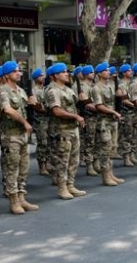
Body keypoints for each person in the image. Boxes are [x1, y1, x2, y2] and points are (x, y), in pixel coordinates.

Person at [0, 61, 40, 214]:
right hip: (10, 135)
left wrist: (33, 104)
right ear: (7, 75)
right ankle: (13, 201)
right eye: (15, 71)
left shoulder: (20, 90)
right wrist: (25, 123)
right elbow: (8, 110)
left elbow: (26, 108)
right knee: (12, 169)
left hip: (22, 135)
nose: (19, 73)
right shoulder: (2, 91)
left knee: (23, 168)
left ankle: (21, 198)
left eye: (19, 70)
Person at [43, 63, 87, 199]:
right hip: (61, 130)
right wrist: (76, 116)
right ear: (55, 75)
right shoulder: (52, 90)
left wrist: (83, 101)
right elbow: (56, 111)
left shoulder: (68, 90)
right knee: (62, 161)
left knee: (74, 159)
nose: (66, 74)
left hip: (72, 128)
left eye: (66, 72)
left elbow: (74, 106)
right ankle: (62, 188)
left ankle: (70, 185)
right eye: (63, 72)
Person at [90, 62, 123, 186]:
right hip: (104, 122)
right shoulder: (96, 88)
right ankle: (105, 176)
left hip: (112, 121)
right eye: (106, 70)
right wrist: (113, 112)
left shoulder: (110, 86)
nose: (108, 72)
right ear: (99, 73)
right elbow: (99, 106)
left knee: (112, 148)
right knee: (105, 149)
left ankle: (110, 173)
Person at [30, 68, 51, 179]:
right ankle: (42, 165)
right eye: (40, 76)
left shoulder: (46, 89)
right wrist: (47, 109)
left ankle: (47, 163)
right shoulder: (33, 91)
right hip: (40, 120)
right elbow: (36, 106)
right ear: (35, 78)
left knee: (49, 142)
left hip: (48, 119)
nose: (43, 77)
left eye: (43, 75)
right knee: (42, 143)